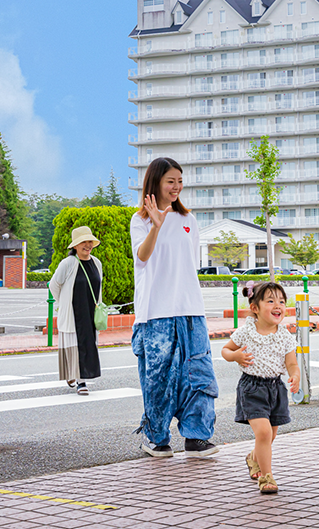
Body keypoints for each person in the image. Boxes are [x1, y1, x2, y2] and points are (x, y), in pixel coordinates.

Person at [130, 156, 219, 458]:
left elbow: (190, 264)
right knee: (158, 377)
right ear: (155, 183)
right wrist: (156, 226)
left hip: (190, 308)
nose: (177, 187)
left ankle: (197, 438)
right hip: (155, 311)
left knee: (198, 374)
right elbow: (142, 259)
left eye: (180, 181)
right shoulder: (139, 220)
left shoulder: (188, 220)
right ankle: (158, 438)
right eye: (171, 181)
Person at [221, 281, 300, 494]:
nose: (278, 306)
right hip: (252, 388)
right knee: (263, 433)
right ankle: (267, 477)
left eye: (282, 301)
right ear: (255, 308)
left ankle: (253, 457)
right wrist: (235, 355)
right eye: (271, 301)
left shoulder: (284, 335)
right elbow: (226, 350)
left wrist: (295, 374)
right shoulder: (246, 332)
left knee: (270, 436)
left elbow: (291, 362)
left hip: (276, 388)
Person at [48, 225, 103, 395]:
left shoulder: (96, 263)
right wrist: (63, 303)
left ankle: (77, 375)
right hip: (73, 312)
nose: (87, 245)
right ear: (75, 246)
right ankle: (81, 381)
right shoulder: (69, 263)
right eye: (83, 242)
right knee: (75, 346)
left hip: (90, 311)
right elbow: (53, 285)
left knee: (88, 345)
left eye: (89, 242)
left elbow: (99, 288)